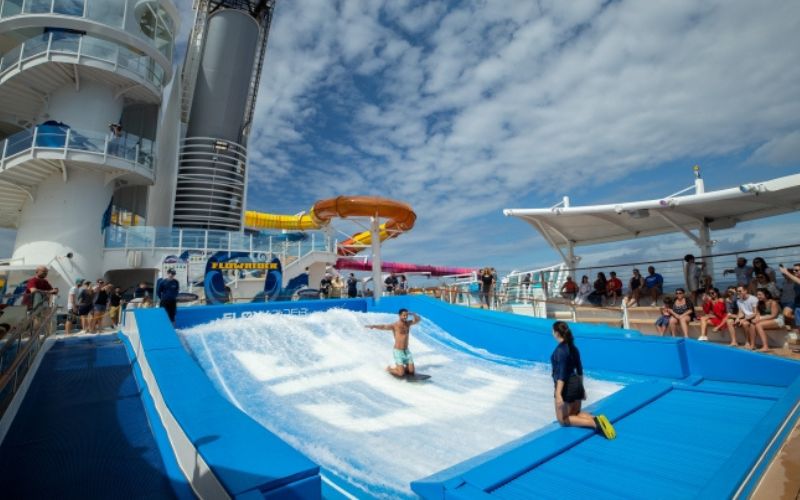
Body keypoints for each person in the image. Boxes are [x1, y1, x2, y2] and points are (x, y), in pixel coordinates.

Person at [550, 321, 615, 439]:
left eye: (552, 331)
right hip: (577, 384)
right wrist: (582, 389)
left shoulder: (560, 351)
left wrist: (559, 394)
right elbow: (579, 370)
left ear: (556, 333)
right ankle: (595, 418)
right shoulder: (574, 348)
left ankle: (595, 424)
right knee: (575, 414)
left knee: (563, 420)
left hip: (566, 388)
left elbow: (562, 374)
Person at [366, 309, 420, 377]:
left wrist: (413, 314)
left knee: (411, 372)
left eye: (406, 315)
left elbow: (418, 320)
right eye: (403, 315)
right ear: (399, 316)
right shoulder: (395, 325)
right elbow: (384, 326)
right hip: (398, 351)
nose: (405, 317)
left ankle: (402, 368)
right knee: (401, 374)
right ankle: (389, 369)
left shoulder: (408, 323)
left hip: (406, 351)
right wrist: (374, 326)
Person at [778, 263, 800, 329]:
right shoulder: (794, 279)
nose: (794, 272)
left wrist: (787, 272)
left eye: (796, 270)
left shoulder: (796, 280)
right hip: (797, 304)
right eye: (794, 270)